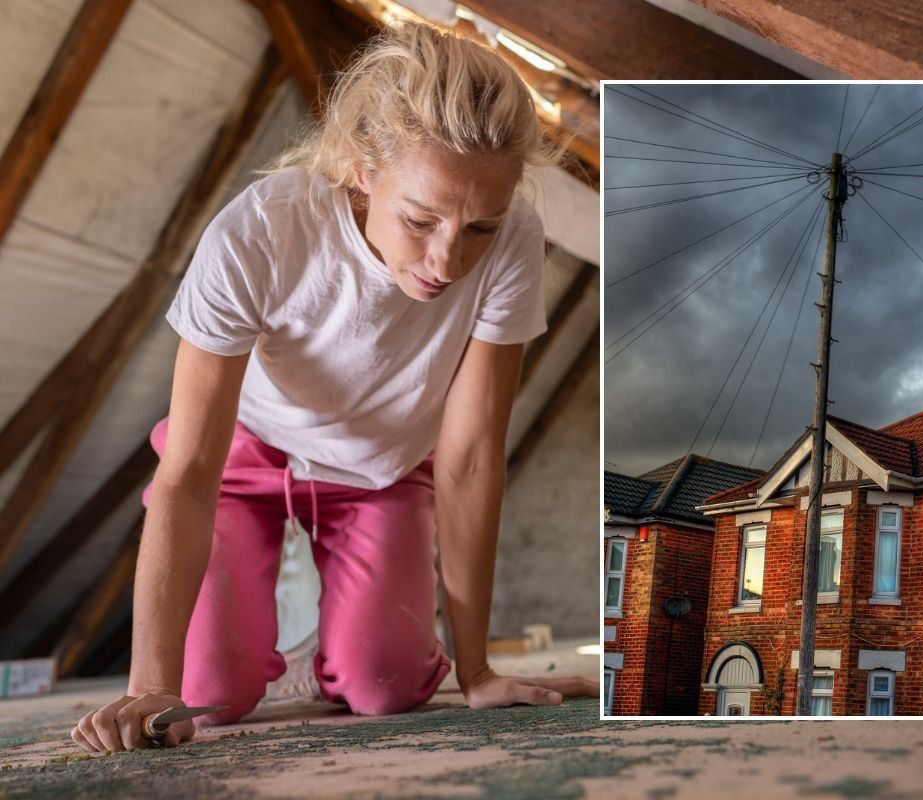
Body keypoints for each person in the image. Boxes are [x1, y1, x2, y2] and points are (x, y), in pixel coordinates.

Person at [71, 22, 598, 753]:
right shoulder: (258, 234)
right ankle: (259, 660)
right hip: (243, 460)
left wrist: (476, 669)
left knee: (384, 689)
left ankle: (342, 649)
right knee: (205, 700)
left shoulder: (510, 241)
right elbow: (189, 469)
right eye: (419, 218)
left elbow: (472, 456)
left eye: (479, 226)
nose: (447, 259)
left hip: (382, 468)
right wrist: (147, 684)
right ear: (361, 168)